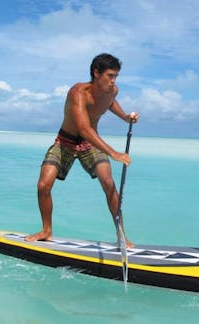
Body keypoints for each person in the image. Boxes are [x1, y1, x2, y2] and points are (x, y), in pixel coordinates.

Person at [25, 53, 138, 248]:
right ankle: (46, 230)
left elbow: (109, 102)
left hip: (91, 145)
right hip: (65, 142)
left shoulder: (112, 91)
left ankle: (121, 236)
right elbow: (84, 129)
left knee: (108, 181)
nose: (113, 81)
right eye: (110, 76)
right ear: (96, 73)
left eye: (116, 77)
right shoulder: (77, 93)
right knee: (43, 185)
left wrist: (125, 117)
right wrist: (113, 153)